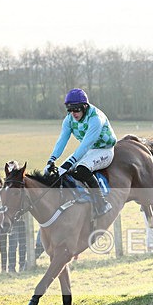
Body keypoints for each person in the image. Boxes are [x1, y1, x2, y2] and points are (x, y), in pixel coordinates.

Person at [46, 88, 113, 219]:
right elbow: (62, 140)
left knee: (82, 169)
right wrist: (52, 160)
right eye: (70, 110)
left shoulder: (95, 119)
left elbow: (85, 144)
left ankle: (102, 203)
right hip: (88, 150)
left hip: (104, 150)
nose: (73, 113)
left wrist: (68, 163)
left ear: (84, 107)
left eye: (76, 109)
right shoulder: (69, 120)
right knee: (60, 171)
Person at [6, 160, 28, 273]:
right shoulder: (8, 184)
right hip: (12, 219)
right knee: (13, 244)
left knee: (23, 244)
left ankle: (23, 265)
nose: (11, 170)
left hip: (22, 219)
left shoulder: (19, 182)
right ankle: (11, 267)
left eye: (13, 167)